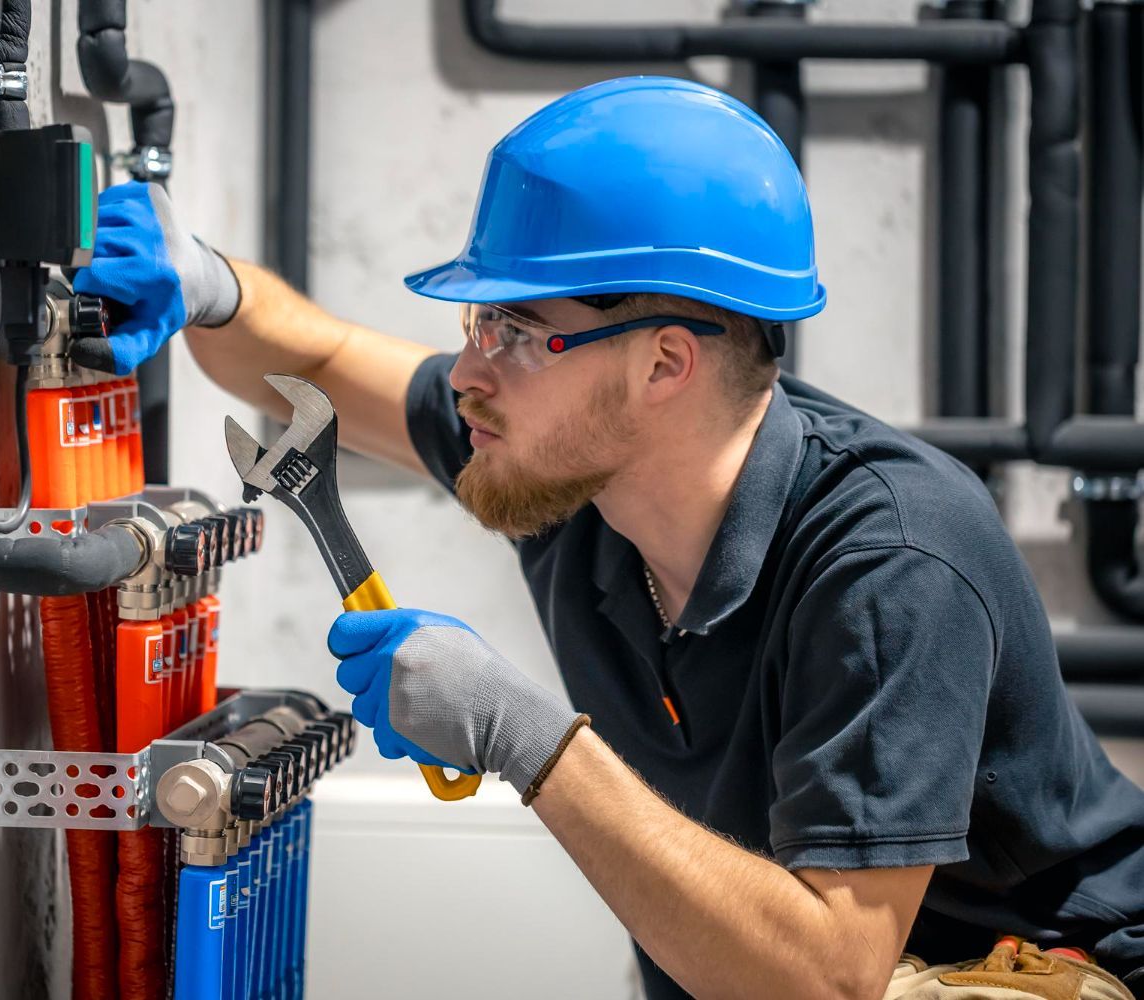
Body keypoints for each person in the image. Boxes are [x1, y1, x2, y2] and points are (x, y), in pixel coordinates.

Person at [73, 77, 1144, 999]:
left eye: (516, 331)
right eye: (474, 324)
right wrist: (207, 286)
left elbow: (829, 975)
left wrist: (524, 736)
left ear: (664, 365)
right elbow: (309, 359)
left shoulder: (892, 561)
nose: (469, 372)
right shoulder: (561, 462)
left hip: (1042, 970)